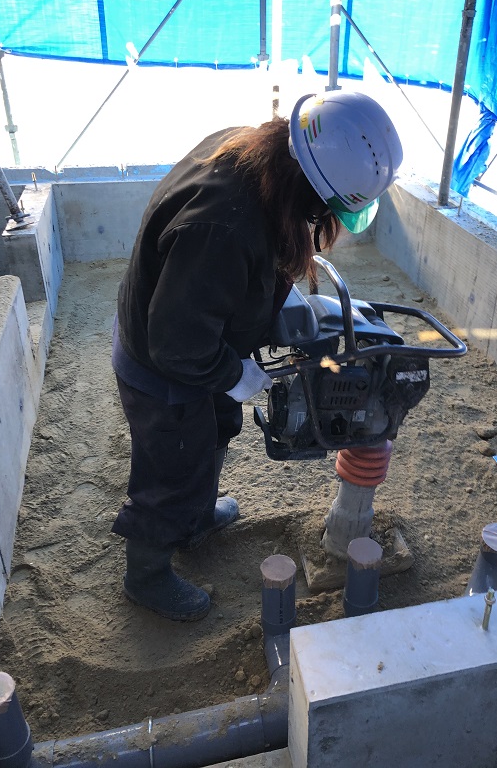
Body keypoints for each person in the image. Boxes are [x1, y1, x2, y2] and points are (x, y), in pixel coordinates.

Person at [111, 90, 403, 621]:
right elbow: (175, 342)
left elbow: (234, 271)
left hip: (196, 336)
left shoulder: (255, 155)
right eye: (329, 210)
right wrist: (234, 373)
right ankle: (146, 575)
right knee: (175, 463)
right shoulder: (224, 227)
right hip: (165, 365)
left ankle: (196, 516)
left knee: (216, 426)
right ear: (313, 192)